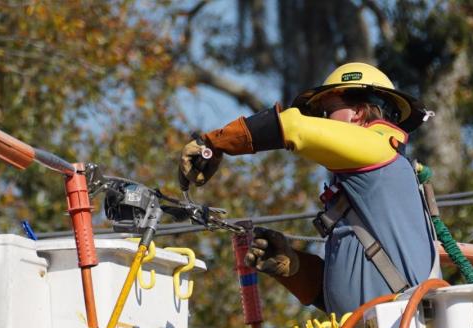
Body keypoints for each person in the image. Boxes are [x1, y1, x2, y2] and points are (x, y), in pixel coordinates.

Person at [179, 62, 437, 315]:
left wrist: (214, 143)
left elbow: (295, 128)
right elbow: (358, 287)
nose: (320, 122)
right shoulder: (364, 186)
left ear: (357, 113)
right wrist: (295, 268)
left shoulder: (380, 151)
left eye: (326, 113)